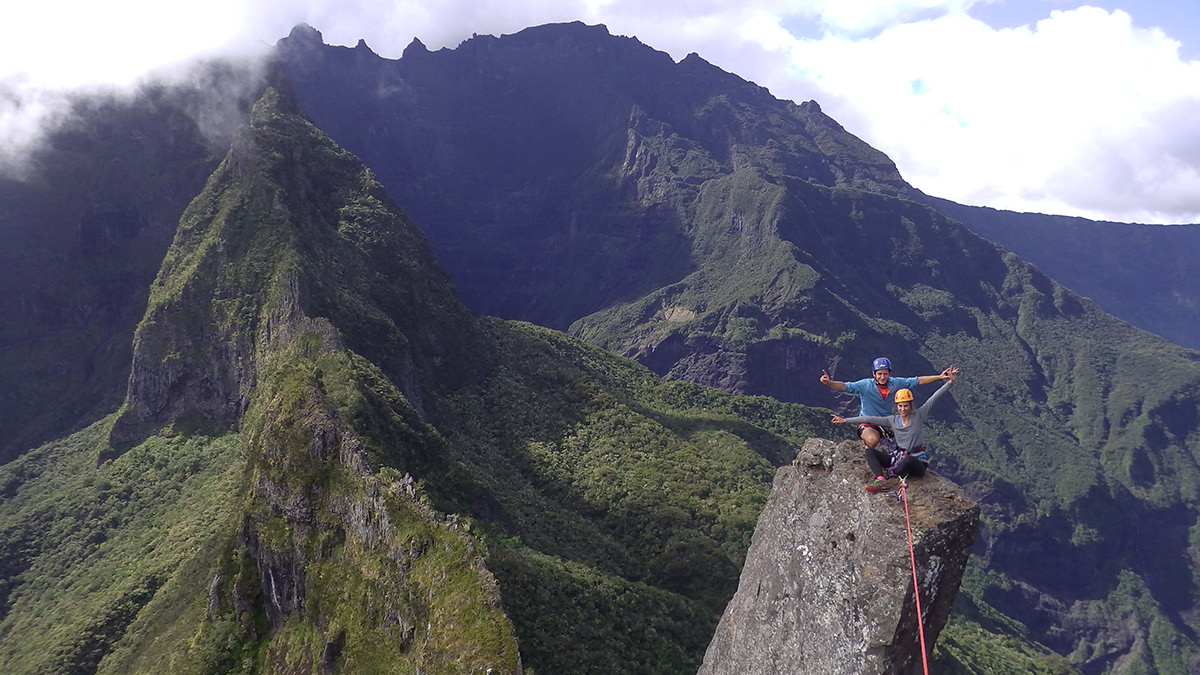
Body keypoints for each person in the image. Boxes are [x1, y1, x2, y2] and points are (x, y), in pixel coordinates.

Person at [831, 365, 959, 491]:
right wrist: (845, 420)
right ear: (896, 406)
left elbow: (934, 398)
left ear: (910, 405)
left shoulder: (919, 415)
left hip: (917, 461)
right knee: (870, 452)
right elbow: (868, 419)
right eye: (900, 406)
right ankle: (880, 479)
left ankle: (892, 476)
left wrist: (949, 382)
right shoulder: (892, 420)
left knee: (908, 460)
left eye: (906, 406)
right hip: (898, 457)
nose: (903, 409)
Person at [819, 357, 956, 450]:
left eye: (885, 374)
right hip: (867, 422)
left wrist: (939, 377)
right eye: (879, 374)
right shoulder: (865, 385)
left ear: (889, 373)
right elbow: (844, 386)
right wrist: (829, 383)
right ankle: (869, 451)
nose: (882, 377)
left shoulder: (895, 383)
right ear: (874, 374)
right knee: (873, 440)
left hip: (887, 423)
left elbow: (917, 381)